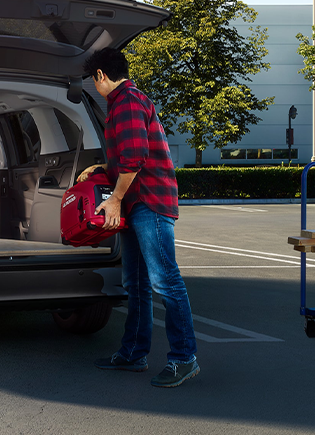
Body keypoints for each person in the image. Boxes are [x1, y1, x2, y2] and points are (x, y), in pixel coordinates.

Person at [82, 48, 199, 388]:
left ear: (101, 75)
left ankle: (184, 358)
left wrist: (115, 200)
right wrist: (102, 169)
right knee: (136, 283)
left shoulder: (128, 101)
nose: (95, 84)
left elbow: (135, 159)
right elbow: (124, 159)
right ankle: (133, 353)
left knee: (165, 280)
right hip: (137, 205)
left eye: (94, 78)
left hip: (149, 202)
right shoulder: (121, 103)